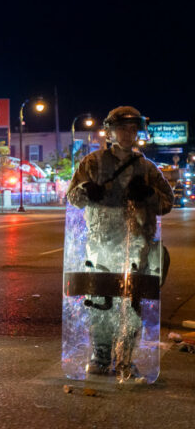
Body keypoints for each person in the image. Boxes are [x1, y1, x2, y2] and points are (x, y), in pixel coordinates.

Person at [67, 106, 174, 377]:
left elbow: (166, 203)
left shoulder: (146, 167)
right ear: (111, 131)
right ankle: (101, 355)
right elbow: (72, 198)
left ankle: (125, 357)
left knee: (131, 305)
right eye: (123, 128)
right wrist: (85, 189)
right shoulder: (92, 163)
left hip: (135, 246)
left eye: (133, 128)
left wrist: (148, 193)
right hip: (100, 246)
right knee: (100, 303)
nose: (128, 133)